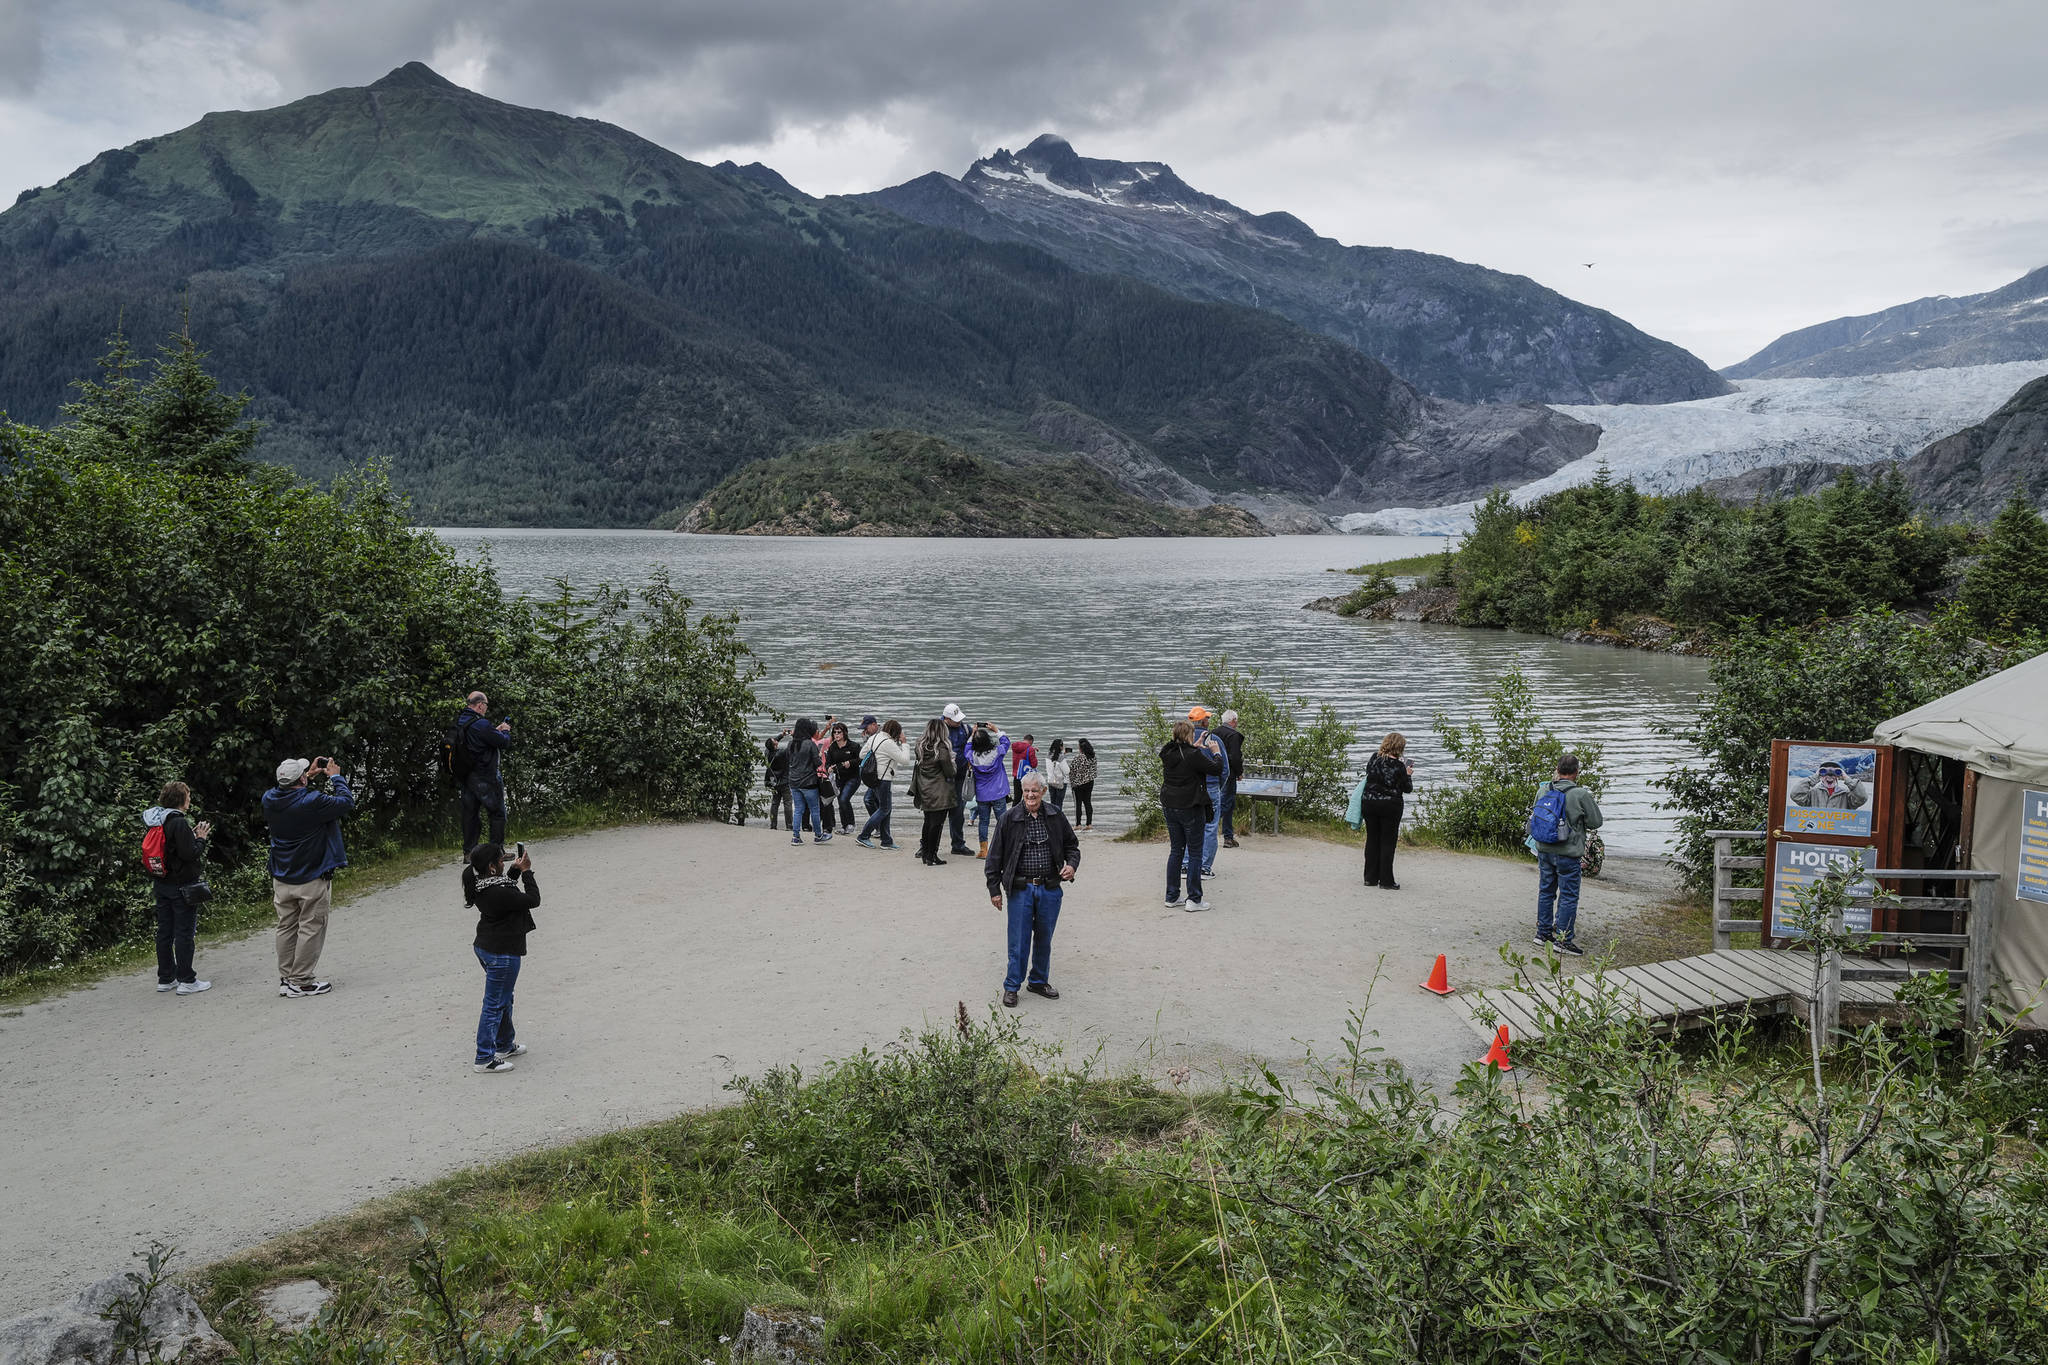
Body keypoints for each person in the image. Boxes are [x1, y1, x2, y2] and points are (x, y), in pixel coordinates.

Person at [984, 773, 1081, 1008]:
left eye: (1035, 791)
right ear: (1022, 791)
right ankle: (1012, 986)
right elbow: (994, 856)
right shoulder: (1009, 818)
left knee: (1044, 938)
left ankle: (1038, 981)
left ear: (1044, 791)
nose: (1030, 795)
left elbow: (1072, 846)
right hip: (1020, 888)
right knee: (1018, 940)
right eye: (1026, 790)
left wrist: (1071, 865)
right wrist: (994, 889)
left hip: (1049, 888)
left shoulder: (1055, 815)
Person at [264, 755, 355, 997]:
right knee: (311, 926)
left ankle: (286, 977)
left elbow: (290, 792)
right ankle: (302, 980)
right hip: (311, 873)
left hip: (282, 874)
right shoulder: (312, 801)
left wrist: (308, 776)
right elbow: (346, 801)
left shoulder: (269, 799)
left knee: (286, 926)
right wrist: (335, 776)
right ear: (301, 779)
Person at [463, 841, 538, 1074]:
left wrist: (515, 869)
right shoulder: (498, 891)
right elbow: (532, 900)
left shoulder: (481, 884)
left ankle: (505, 1044)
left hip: (486, 947)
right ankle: (484, 1057)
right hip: (502, 953)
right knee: (494, 1003)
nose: (504, 862)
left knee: (503, 998)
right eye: (501, 860)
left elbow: (505, 889)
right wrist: (527, 872)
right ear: (492, 867)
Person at [1532, 753, 1604, 956]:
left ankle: (1543, 933)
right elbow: (1596, 822)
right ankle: (1563, 941)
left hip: (1544, 849)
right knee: (1569, 896)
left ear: (1557, 769)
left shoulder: (1544, 789)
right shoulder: (1580, 794)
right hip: (1568, 853)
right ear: (1576, 772)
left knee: (1546, 890)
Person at [143, 782, 212, 995]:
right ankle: (187, 979)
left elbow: (169, 848)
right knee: (184, 932)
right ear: (181, 799)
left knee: (165, 931)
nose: (190, 800)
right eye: (188, 796)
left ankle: (166, 977)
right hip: (182, 886)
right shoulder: (178, 822)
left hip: (162, 883)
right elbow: (189, 854)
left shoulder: (156, 820)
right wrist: (200, 839)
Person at [1159, 719, 1222, 911]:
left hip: (1170, 805)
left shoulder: (1167, 752)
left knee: (1176, 850)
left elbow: (1183, 756)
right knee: (1195, 852)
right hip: (1190, 806)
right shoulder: (1194, 755)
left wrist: (1193, 746)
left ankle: (1172, 895)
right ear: (1189, 735)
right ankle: (1194, 898)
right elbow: (1216, 769)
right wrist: (1215, 751)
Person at [455, 691, 512, 859]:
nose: (486, 709)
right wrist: (505, 731)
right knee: (497, 813)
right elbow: (503, 742)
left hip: (466, 776)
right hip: (485, 775)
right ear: (480, 705)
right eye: (486, 705)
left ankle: (469, 852)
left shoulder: (461, 721)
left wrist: (495, 730)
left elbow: (477, 741)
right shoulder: (481, 724)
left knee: (470, 815)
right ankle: (496, 853)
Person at [1356, 732, 1415, 890]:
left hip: (1369, 802)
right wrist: (1408, 775)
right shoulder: (1399, 766)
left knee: (1372, 839)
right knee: (1388, 842)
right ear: (1400, 748)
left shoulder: (1374, 758)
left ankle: (1370, 878)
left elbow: (1370, 773)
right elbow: (1407, 788)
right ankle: (1386, 880)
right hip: (1390, 806)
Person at [857, 719, 913, 849]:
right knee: (884, 809)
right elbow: (904, 760)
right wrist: (904, 743)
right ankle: (864, 835)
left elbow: (861, 754)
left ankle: (886, 840)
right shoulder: (889, 743)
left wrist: (877, 756)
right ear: (895, 732)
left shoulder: (874, 737)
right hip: (884, 778)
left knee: (885, 809)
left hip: (873, 778)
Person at [1185, 707, 1227, 881]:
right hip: (1210, 787)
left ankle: (1185, 864)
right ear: (1204, 722)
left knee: (1189, 825)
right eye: (1207, 719)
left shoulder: (1183, 740)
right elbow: (1224, 769)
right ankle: (1204, 867)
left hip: (1188, 789)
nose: (1208, 721)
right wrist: (1219, 787)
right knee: (1210, 826)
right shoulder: (1214, 739)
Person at [910, 718, 960, 865]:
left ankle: (926, 853)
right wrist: (953, 762)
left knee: (928, 822)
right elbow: (950, 772)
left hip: (924, 789)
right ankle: (932, 855)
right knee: (937, 824)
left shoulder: (920, 745)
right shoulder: (942, 748)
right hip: (940, 791)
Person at [967, 722, 1011, 857]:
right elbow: (1006, 742)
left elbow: (967, 747)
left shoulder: (971, 756)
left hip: (982, 795)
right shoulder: (997, 752)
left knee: (983, 822)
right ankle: (1006, 848)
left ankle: (983, 850)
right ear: (988, 740)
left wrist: (972, 734)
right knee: (1002, 821)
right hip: (998, 792)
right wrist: (996, 730)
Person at [786, 717, 831, 844]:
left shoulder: (791, 744)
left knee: (799, 809)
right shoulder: (810, 744)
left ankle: (796, 836)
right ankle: (818, 835)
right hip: (809, 782)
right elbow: (817, 763)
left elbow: (788, 760)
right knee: (814, 809)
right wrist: (820, 755)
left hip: (793, 782)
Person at [940, 703, 976, 856]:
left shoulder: (965, 729)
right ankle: (926, 844)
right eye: (955, 720)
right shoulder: (938, 729)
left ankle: (958, 844)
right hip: (941, 777)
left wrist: (975, 735)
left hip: (960, 776)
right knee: (937, 813)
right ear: (946, 719)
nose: (959, 721)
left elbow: (971, 747)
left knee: (958, 812)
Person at [1215, 710, 1246, 847]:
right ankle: (1208, 826)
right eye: (1236, 720)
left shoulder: (1213, 732)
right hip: (1229, 773)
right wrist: (1239, 772)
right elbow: (1235, 757)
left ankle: (1228, 837)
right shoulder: (1234, 735)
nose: (1237, 723)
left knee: (1228, 803)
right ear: (1233, 720)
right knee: (1226, 803)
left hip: (1214, 771)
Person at [826, 721, 861, 834]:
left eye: (839, 732)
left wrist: (850, 762)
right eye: (834, 732)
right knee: (841, 801)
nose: (836, 735)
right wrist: (829, 768)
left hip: (853, 777)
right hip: (839, 778)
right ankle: (844, 825)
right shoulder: (832, 747)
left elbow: (861, 760)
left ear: (844, 733)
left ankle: (851, 824)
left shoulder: (854, 746)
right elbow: (828, 762)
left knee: (844, 799)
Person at [763, 729, 793, 831]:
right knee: (787, 803)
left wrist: (782, 735)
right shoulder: (782, 753)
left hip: (773, 782)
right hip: (784, 782)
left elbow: (772, 742)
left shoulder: (767, 752)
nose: (776, 740)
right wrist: (793, 736)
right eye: (775, 740)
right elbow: (791, 747)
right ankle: (789, 826)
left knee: (775, 804)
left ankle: (773, 825)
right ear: (775, 744)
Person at [1067, 739, 1099, 829]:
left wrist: (1072, 782)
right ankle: (1089, 824)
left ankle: (1078, 824)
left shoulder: (1079, 757)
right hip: (1090, 782)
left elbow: (1072, 770)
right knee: (1088, 802)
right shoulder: (1093, 757)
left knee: (1078, 803)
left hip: (1079, 783)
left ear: (1081, 748)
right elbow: (1094, 770)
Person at [1044, 739, 1071, 812]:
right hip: (1061, 782)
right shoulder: (1060, 757)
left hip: (1051, 781)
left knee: (1053, 802)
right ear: (1060, 747)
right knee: (1059, 803)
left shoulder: (1048, 755)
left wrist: (1063, 754)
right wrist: (1063, 757)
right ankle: (1058, 821)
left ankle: (1052, 819)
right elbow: (1067, 771)